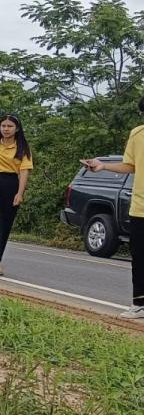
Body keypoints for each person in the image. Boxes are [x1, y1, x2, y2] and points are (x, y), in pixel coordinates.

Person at [80, 96, 144, 320]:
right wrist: (103, 166)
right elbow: (130, 165)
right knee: (139, 257)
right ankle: (139, 304)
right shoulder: (137, 134)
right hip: (140, 207)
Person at [0, 114, 34, 276]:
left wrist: (19, 193)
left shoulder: (23, 147)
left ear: (17, 128)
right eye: (3, 126)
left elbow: (24, 171)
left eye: (10, 126)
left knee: (4, 223)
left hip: (10, 184)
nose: (6, 129)